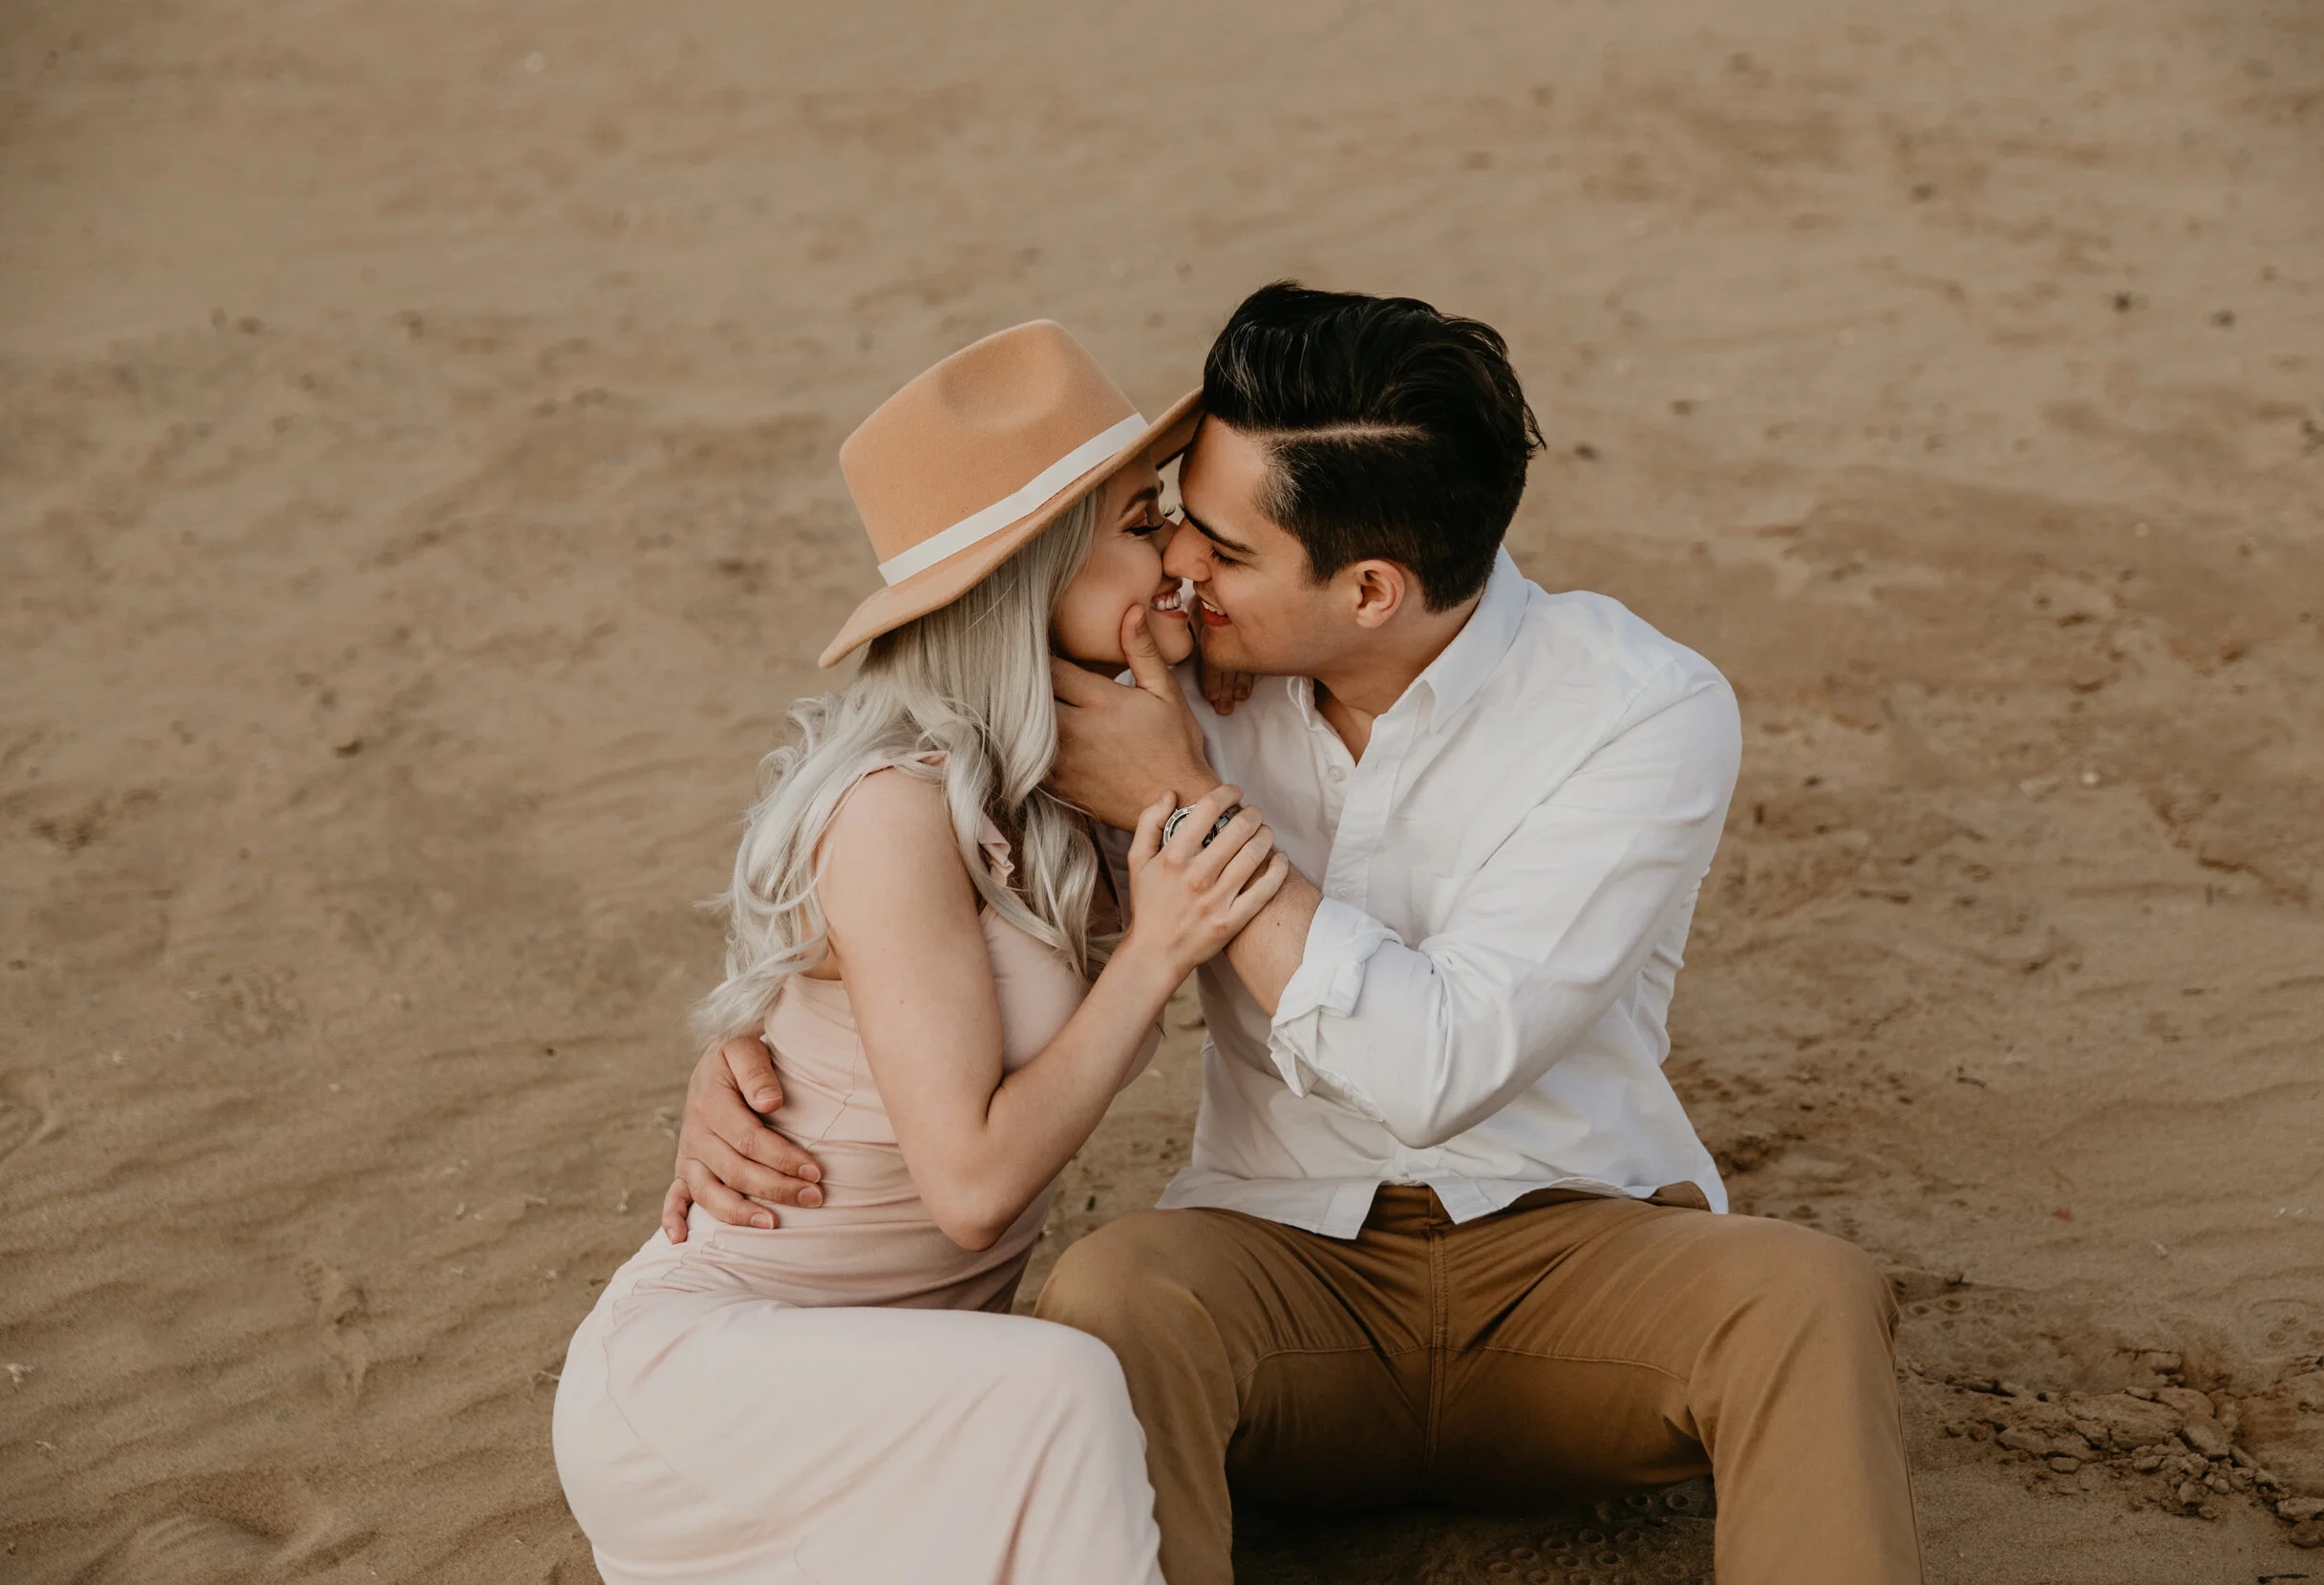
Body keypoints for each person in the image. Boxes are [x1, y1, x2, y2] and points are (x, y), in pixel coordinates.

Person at [669, 285, 1926, 1585]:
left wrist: (1189, 802)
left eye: (1222, 547)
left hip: (1580, 1262)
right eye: (1170, 524)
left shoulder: (1639, 712)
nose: (1180, 570)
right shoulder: (1161, 678)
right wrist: (758, 1062)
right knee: (1110, 1297)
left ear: (1371, 587)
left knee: (1810, 1298)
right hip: (1277, 1273)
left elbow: (1435, 1067)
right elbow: (908, 853)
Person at [552, 319, 1290, 1584]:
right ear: (1034, 576)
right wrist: (1153, 951)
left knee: (1064, 1411)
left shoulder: (1092, 786)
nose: (1176, 551)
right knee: (1072, 1386)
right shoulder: (895, 809)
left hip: (914, 1392)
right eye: (1136, 522)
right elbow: (969, 1186)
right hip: (712, 1385)